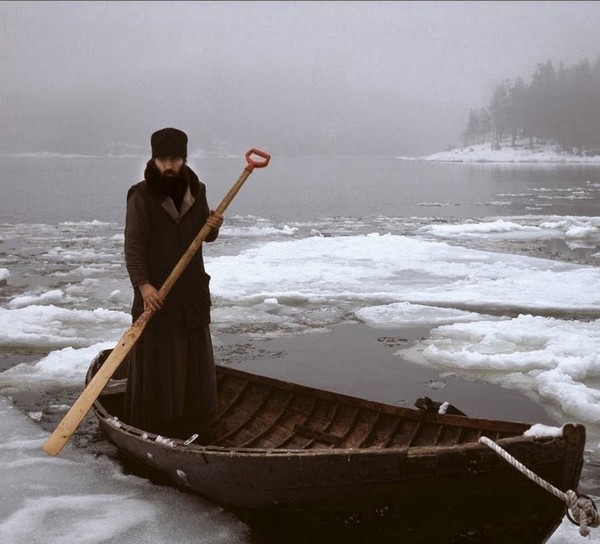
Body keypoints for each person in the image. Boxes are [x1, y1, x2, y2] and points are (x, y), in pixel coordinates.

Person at [123, 127, 223, 440]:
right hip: (158, 293)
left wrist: (213, 227)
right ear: (153, 159)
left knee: (193, 360)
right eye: (163, 159)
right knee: (160, 361)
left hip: (191, 291)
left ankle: (196, 420)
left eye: (175, 159)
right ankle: (157, 425)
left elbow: (203, 234)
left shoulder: (198, 189)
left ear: (184, 159)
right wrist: (143, 285)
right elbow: (134, 245)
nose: (169, 166)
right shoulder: (141, 195)